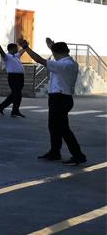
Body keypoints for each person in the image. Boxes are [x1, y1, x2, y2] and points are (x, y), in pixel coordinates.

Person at [21, 38, 86, 166]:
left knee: (63, 129)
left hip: (60, 99)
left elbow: (39, 60)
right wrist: (52, 46)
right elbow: (57, 54)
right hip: (62, 98)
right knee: (54, 127)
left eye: (53, 52)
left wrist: (26, 48)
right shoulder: (70, 62)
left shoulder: (62, 65)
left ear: (57, 53)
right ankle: (55, 152)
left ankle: (78, 155)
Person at [0, 39, 27, 117]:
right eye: (16, 48)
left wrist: (25, 46)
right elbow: (2, 53)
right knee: (18, 95)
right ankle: (15, 111)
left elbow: (23, 50)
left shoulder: (16, 56)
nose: (17, 49)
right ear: (11, 49)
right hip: (13, 77)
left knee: (15, 95)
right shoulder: (7, 57)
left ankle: (0, 107)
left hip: (20, 77)